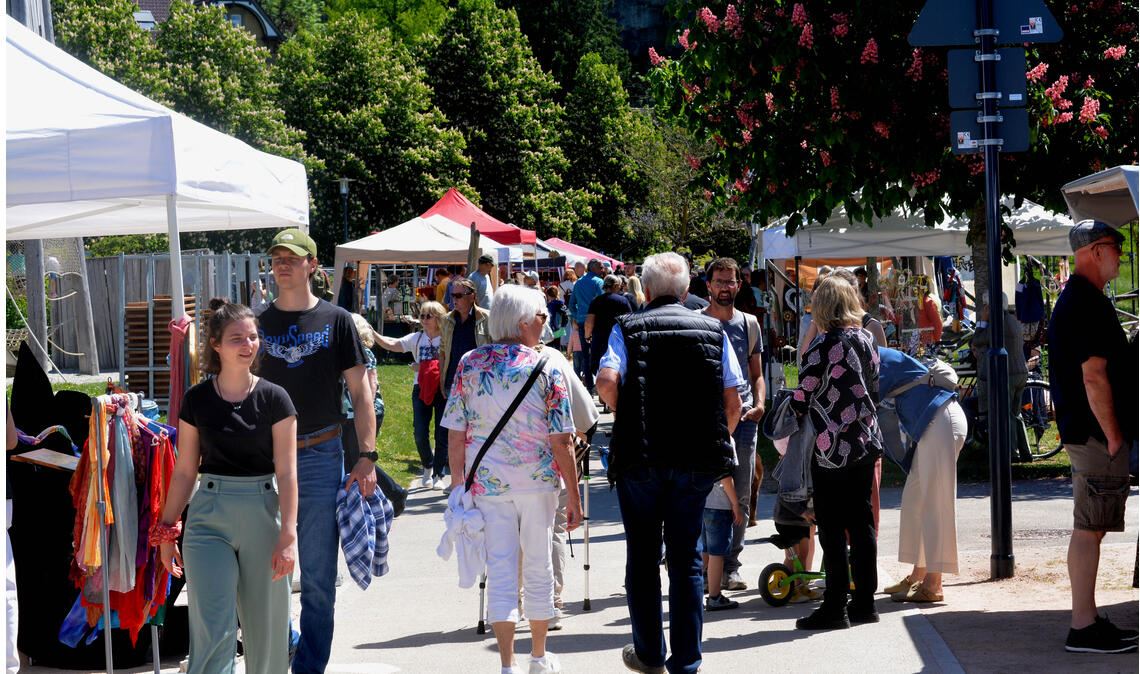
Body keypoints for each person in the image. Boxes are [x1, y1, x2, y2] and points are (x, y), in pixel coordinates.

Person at [596, 252, 743, 674]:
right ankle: (687, 661)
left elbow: (607, 382)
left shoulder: (627, 328)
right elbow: (732, 399)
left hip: (640, 459)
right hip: (695, 460)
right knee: (686, 560)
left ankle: (649, 653)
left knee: (642, 558)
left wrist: (631, 415)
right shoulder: (714, 329)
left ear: (645, 289)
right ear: (685, 290)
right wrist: (719, 436)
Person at [443, 284, 582, 674]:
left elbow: (455, 431)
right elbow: (561, 440)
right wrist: (574, 495)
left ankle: (507, 664)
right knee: (538, 567)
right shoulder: (548, 366)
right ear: (523, 322)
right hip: (537, 484)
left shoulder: (471, 363)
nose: (545, 324)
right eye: (542, 317)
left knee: (501, 570)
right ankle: (538, 656)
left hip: (487, 485)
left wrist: (459, 485)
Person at [157, 299, 298, 674]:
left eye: (252, 337)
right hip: (209, 517)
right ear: (216, 345)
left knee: (267, 633)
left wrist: (288, 533)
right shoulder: (197, 400)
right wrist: (167, 528)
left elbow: (286, 472)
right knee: (213, 631)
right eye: (237, 338)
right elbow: (186, 471)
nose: (248, 345)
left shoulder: (275, 399)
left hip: (263, 514)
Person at [256, 228, 375, 673]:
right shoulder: (258, 327)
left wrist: (367, 455)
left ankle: (308, 667)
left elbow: (361, 392)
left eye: (292, 256)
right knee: (262, 570)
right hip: (264, 462)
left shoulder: (337, 321)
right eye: (276, 257)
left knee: (319, 579)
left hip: (322, 456)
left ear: (312, 265)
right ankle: (282, 644)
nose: (282, 263)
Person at [1047, 220, 1137, 655]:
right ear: (1097, 250)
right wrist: (1115, 435)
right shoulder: (1086, 302)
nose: (1121, 256)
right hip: (1095, 434)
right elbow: (1094, 376)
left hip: (1087, 431)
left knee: (1091, 527)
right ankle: (1082, 625)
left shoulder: (1079, 299)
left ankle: (1088, 618)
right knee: (1089, 528)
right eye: (1117, 249)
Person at [789, 275, 883, 631]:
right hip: (864, 441)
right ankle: (865, 602)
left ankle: (834, 606)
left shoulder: (824, 346)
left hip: (832, 447)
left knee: (830, 526)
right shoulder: (867, 339)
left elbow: (805, 392)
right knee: (862, 524)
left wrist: (787, 413)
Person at [877, 346, 968, 603]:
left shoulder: (874, 358)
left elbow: (864, 401)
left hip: (940, 421)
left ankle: (934, 583)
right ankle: (918, 575)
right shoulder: (878, 355)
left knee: (935, 502)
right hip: (936, 421)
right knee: (915, 499)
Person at [702, 258, 766, 592]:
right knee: (703, 491)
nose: (726, 287)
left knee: (740, 494)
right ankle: (703, 564)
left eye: (732, 281)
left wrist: (760, 404)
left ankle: (731, 565)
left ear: (739, 285)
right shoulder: (696, 322)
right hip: (706, 423)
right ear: (708, 285)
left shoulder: (749, 324)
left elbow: (757, 374)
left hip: (743, 422)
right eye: (720, 281)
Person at [376, 301, 449, 489]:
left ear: (438, 318)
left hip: (442, 389)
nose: (423, 320)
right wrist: (372, 333)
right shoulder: (417, 338)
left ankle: (439, 474)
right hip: (421, 387)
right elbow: (392, 344)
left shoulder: (447, 338)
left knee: (442, 432)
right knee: (419, 431)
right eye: (422, 316)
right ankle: (428, 465)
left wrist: (422, 366)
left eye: (428, 316)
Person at [972, 293, 1031, 461]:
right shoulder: (1012, 319)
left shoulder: (997, 323)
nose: (984, 309)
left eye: (986, 306)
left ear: (990, 307)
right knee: (1015, 413)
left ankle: (1012, 453)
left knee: (1006, 415)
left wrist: (982, 320)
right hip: (1020, 371)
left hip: (1008, 373)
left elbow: (978, 339)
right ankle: (1025, 452)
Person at [440, 278, 492, 458]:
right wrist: (442, 382)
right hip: (453, 382)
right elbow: (443, 352)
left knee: (478, 430)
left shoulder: (486, 318)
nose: (454, 299)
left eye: (459, 295)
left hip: (479, 384)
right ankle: (457, 477)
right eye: (452, 295)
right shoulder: (447, 320)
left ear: (472, 296)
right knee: (455, 432)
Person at [700, 473, 743, 611]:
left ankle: (691, 594)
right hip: (719, 506)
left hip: (701, 503)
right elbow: (725, 477)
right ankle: (714, 597)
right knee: (716, 555)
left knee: (704, 552)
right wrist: (735, 504)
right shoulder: (722, 450)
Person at [585, 275, 632, 380]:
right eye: (619, 286)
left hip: (599, 340)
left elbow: (589, 322)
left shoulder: (596, 301)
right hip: (618, 340)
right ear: (615, 286)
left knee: (599, 371)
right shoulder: (623, 301)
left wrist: (587, 336)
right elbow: (629, 321)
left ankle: (602, 395)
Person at [568, 259, 605, 392]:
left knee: (586, 355)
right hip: (597, 322)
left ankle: (589, 388)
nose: (603, 270)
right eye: (601, 267)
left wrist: (578, 316)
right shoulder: (599, 282)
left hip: (582, 321)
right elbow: (603, 302)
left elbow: (571, 305)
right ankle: (601, 389)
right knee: (601, 354)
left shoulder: (578, 283)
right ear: (593, 268)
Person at [916, 282, 943, 347]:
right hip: (917, 340)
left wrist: (937, 341)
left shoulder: (928, 301)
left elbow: (937, 323)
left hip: (926, 341)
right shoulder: (912, 301)